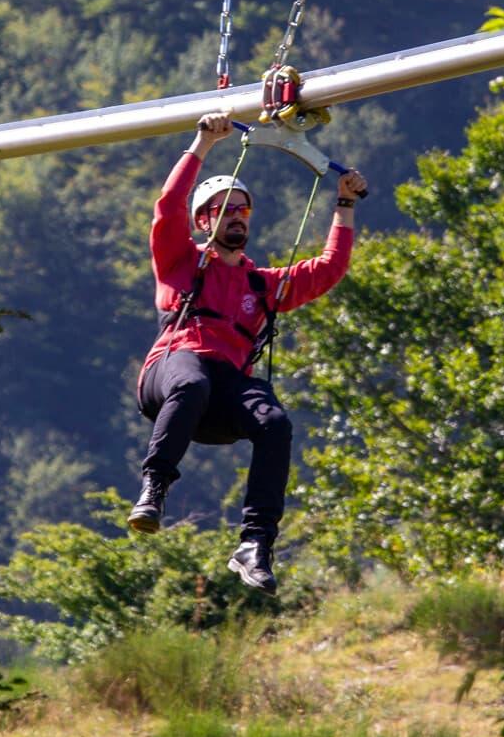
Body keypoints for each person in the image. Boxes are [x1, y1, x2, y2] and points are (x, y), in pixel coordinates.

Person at [129, 111, 367, 594]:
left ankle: (255, 543)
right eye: (224, 209)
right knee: (192, 379)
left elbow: (328, 269)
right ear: (204, 221)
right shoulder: (180, 260)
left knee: (275, 423)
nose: (236, 216)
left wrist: (344, 204)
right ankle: (155, 486)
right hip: (173, 374)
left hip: (222, 396)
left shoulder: (263, 286)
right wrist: (202, 145)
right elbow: (168, 206)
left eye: (242, 209)